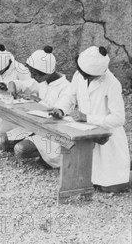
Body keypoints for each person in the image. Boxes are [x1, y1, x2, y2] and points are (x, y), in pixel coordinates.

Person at [49, 46, 130, 192]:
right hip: (84, 131)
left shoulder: (112, 83)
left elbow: (118, 119)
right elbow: (70, 95)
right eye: (83, 74)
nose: (85, 77)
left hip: (107, 136)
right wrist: (60, 109)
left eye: (89, 76)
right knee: (86, 180)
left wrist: (88, 117)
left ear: (99, 73)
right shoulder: (79, 75)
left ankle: (126, 175)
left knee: (110, 187)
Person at [2, 47, 70, 165]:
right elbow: (22, 84)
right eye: (31, 73)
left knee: (20, 150)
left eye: (35, 74)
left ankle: (45, 158)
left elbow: (58, 113)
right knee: (2, 141)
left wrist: (38, 100)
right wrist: (12, 84)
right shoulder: (42, 81)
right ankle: (30, 142)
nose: (32, 77)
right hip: (35, 125)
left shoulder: (67, 87)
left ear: (47, 73)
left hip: (54, 133)